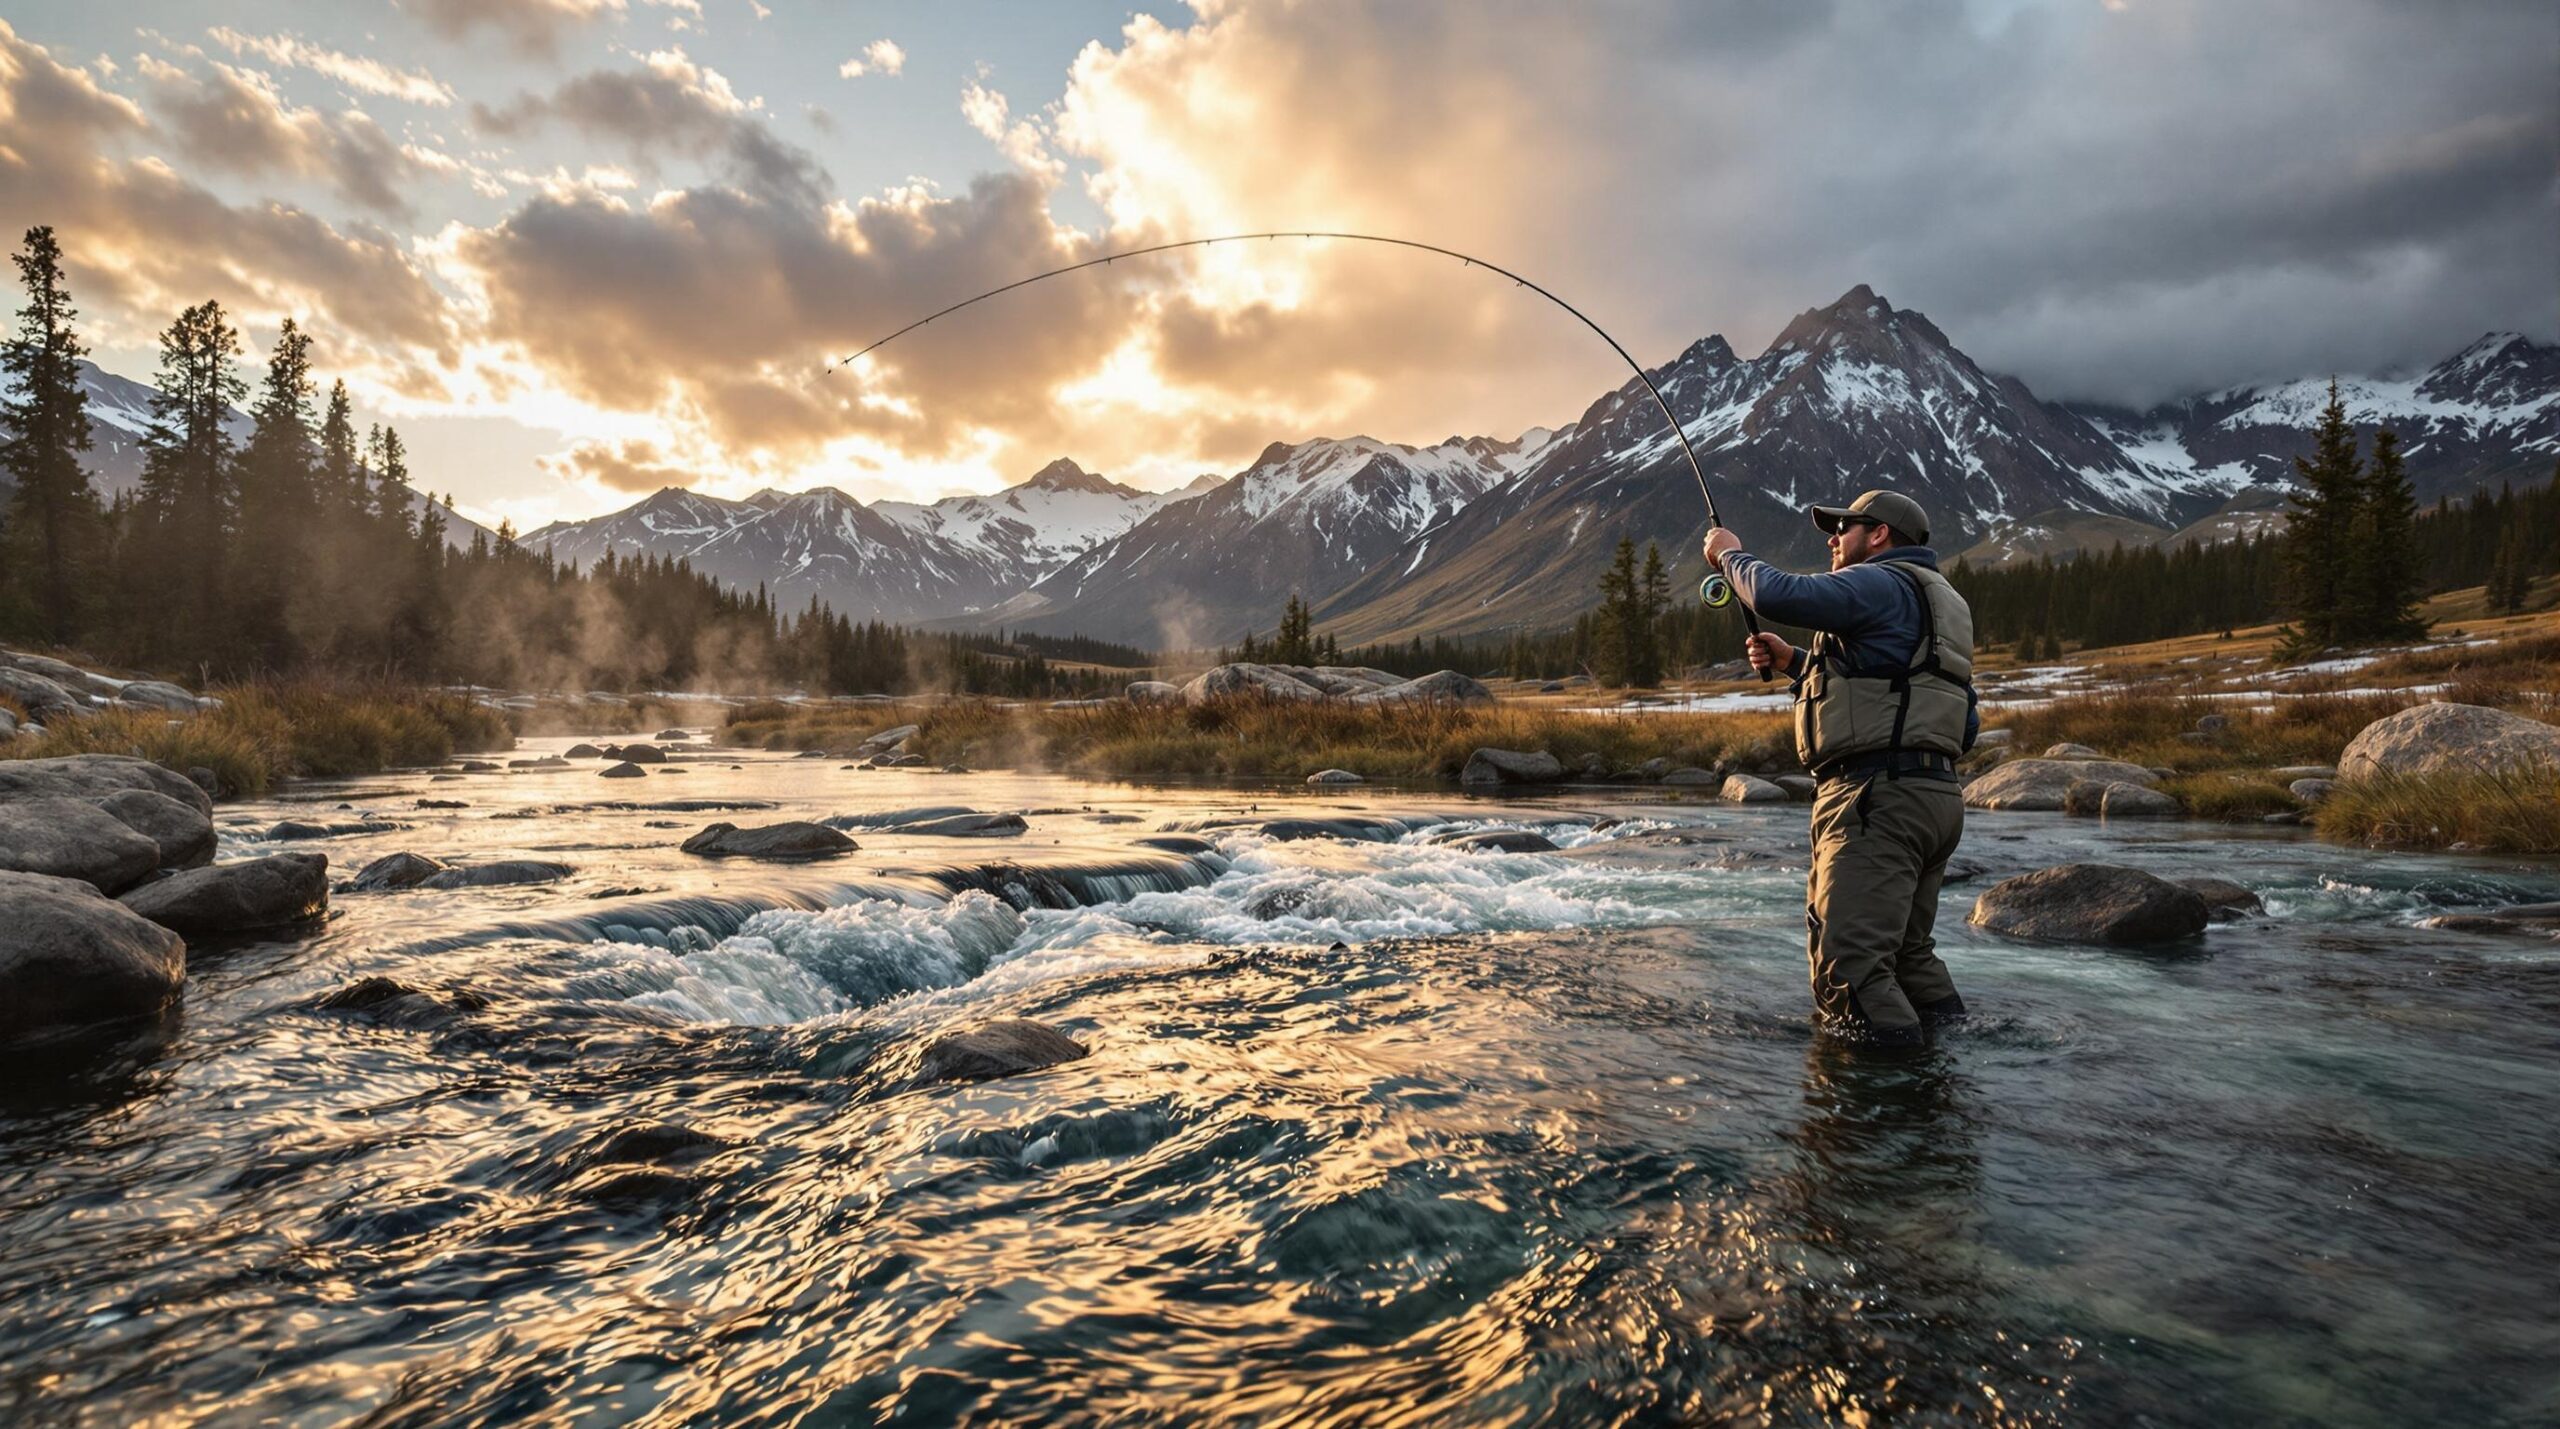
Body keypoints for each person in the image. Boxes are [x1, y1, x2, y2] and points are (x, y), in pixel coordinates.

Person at [1702, 489, 1977, 1047]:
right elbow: (1916, 697)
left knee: (1850, 968)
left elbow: (1779, 593)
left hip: (1875, 799)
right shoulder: (1939, 599)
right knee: (1905, 957)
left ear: (1878, 535)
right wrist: (1796, 662)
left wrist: (1729, 555)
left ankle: (1873, 1116)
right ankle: (1950, 1074)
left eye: (1844, 528)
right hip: (1932, 797)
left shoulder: (1878, 580)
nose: (1832, 538)